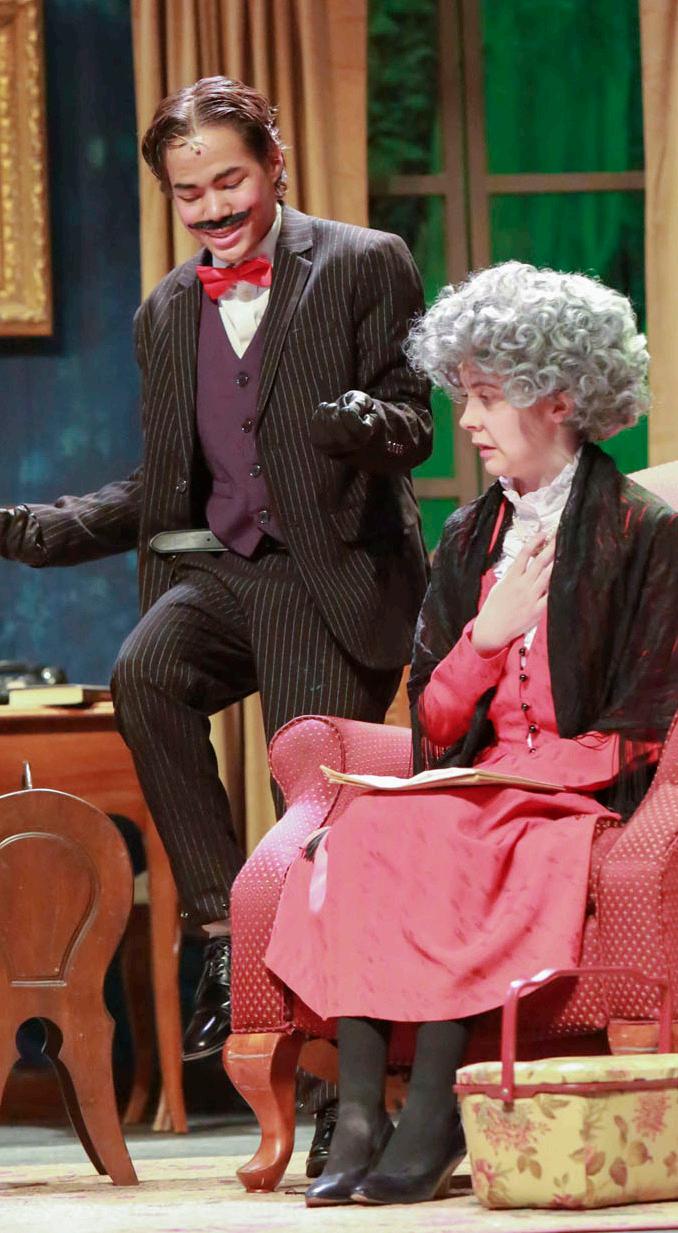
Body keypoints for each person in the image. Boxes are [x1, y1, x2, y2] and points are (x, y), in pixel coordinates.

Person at [0, 76, 432, 1164]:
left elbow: (416, 423)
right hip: (224, 572)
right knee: (144, 673)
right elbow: (165, 485)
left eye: (229, 181)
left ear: (274, 163)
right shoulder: (166, 310)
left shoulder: (364, 262)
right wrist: (35, 531)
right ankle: (223, 928)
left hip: (333, 580)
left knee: (313, 824)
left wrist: (364, 421)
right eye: (189, 193)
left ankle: (344, 1095)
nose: (213, 207)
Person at [265, 260, 678, 1206]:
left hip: (573, 796)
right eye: (465, 396)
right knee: (366, 830)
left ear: (560, 398)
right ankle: (360, 1114)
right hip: (474, 784)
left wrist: (520, 776)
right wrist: (485, 640)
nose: (469, 422)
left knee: (460, 831)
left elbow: (647, 715)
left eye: (489, 397)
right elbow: (435, 722)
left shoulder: (644, 531)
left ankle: (434, 1112)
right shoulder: (468, 538)